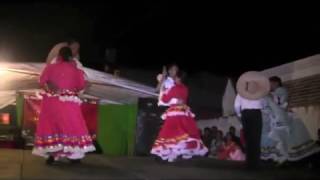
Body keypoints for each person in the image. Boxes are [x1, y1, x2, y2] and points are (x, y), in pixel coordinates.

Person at [32, 47, 95, 165]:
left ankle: (51, 155)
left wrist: (50, 83)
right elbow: (80, 86)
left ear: (59, 56)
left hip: (52, 102)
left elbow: (41, 81)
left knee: (52, 126)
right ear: (71, 56)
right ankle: (74, 156)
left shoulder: (50, 67)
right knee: (71, 126)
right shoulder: (76, 70)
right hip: (69, 102)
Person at [260, 76, 320, 164]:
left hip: (283, 118)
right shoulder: (275, 93)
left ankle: (287, 158)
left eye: (270, 83)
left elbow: (278, 103)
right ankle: (283, 158)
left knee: (286, 138)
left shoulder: (281, 90)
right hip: (279, 118)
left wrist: (268, 98)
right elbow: (271, 107)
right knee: (283, 139)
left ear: (276, 83)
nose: (269, 86)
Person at [151, 71, 208, 162]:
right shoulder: (186, 88)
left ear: (179, 78)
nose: (174, 78)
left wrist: (163, 90)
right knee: (182, 133)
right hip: (184, 112)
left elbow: (164, 99)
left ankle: (170, 154)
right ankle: (176, 153)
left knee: (170, 133)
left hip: (175, 113)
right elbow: (183, 99)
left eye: (176, 77)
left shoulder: (174, 88)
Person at [234, 71, 270, 170]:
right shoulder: (260, 95)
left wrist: (240, 115)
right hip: (256, 115)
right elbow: (264, 106)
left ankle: (249, 163)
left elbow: (236, 106)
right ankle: (255, 163)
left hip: (246, 115)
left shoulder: (240, 94)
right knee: (256, 139)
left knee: (249, 139)